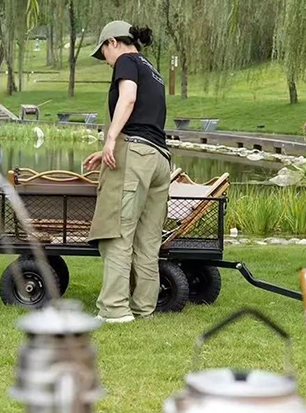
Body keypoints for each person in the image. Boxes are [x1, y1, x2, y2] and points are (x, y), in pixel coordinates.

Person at [85, 20, 171, 324]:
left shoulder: (126, 61)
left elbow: (129, 98)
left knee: (117, 233)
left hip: (135, 154)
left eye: (103, 53)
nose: (106, 61)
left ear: (112, 43)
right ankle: (142, 308)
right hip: (159, 159)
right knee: (147, 240)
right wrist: (107, 149)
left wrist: (110, 139)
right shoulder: (152, 69)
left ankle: (114, 310)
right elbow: (147, 119)